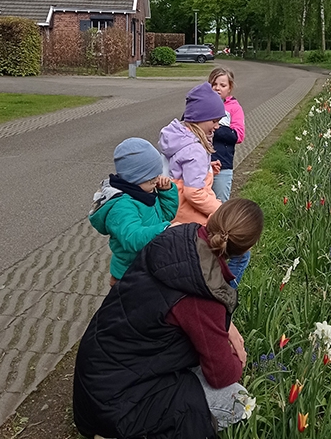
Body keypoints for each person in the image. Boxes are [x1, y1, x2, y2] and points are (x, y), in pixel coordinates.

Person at [73, 198, 264, 439]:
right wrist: (238, 360)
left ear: (214, 217)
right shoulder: (204, 293)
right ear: (247, 248)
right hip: (118, 407)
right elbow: (221, 375)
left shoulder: (179, 236)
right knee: (239, 401)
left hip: (96, 376)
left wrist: (226, 327)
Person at [89, 137, 179, 287]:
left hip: (147, 266)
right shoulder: (121, 206)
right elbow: (132, 237)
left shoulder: (144, 193)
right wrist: (164, 230)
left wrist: (166, 193)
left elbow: (165, 216)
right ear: (135, 178)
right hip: (129, 275)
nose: (157, 180)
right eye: (151, 178)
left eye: (157, 175)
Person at [158, 82, 225, 226]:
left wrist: (207, 169)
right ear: (199, 118)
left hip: (174, 209)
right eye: (214, 121)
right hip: (191, 216)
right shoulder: (196, 150)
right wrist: (221, 211)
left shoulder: (179, 139)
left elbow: (178, 168)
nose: (217, 126)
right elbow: (194, 193)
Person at [209, 67, 246, 204]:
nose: (217, 88)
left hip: (222, 165)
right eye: (214, 84)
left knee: (219, 205)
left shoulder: (234, 108)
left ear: (229, 88)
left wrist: (215, 127)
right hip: (199, 165)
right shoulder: (200, 104)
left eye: (222, 85)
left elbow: (238, 136)